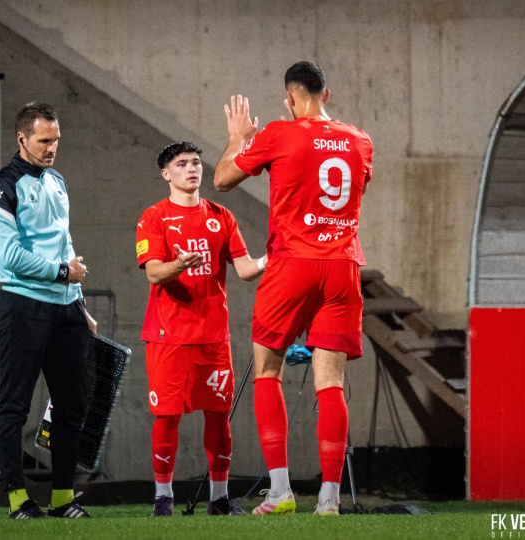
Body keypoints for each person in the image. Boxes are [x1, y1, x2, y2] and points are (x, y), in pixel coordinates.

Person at [214, 61, 374, 516]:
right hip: (342, 267)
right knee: (331, 384)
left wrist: (238, 139)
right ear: (327, 93)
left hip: (292, 265)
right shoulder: (360, 140)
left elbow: (222, 180)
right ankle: (329, 499)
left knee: (268, 372)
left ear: (290, 97)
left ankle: (281, 492)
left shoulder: (280, 134)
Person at [136, 141, 266, 517]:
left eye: (196, 162)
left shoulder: (221, 216)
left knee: (218, 417)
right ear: (166, 174)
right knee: (167, 417)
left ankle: (219, 499)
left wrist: (272, 258)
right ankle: (163, 499)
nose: (192, 169)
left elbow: (245, 269)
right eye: (182, 164)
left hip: (213, 338)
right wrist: (180, 265)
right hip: (169, 337)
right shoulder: (154, 217)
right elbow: (154, 273)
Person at [0, 102, 97, 519]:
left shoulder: (57, 181)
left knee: (71, 408)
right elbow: (9, 257)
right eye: (44, 140)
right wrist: (63, 272)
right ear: (22, 139)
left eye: (56, 140)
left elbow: (64, 242)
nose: (52, 148)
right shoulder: (0, 188)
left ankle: (63, 500)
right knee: (14, 407)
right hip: (24, 307)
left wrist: (79, 303)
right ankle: (18, 500)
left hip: (67, 309)